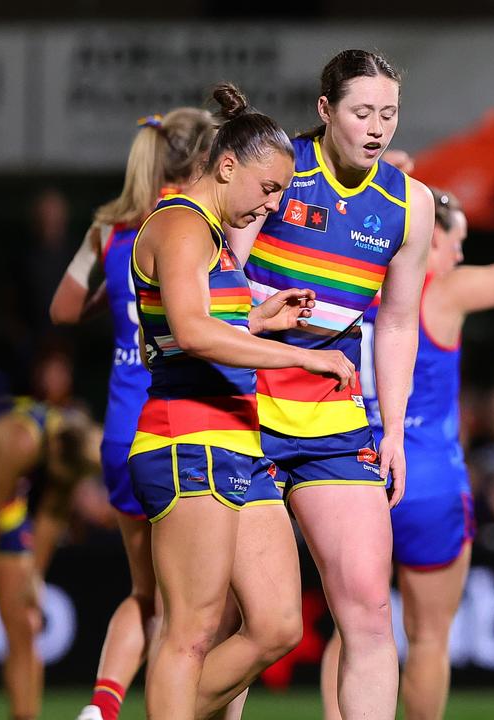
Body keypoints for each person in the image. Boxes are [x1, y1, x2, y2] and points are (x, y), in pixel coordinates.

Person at [127, 83, 354, 720]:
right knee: (192, 632)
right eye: (269, 188)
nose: (273, 204)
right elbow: (194, 334)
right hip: (184, 439)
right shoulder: (179, 224)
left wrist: (260, 320)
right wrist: (306, 355)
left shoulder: (213, 237)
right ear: (228, 166)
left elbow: (199, 326)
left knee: (280, 624)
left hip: (236, 442)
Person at [321, 150, 494, 720]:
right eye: (454, 240)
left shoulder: (357, 284)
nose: (458, 253)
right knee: (428, 639)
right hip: (427, 478)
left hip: (357, 469)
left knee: (352, 635)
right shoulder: (442, 292)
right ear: (429, 238)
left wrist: (387, 183)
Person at [228, 50, 434, 719]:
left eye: (389, 113)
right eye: (362, 112)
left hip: (334, 420)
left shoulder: (410, 204)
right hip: (242, 408)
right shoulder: (280, 171)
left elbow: (399, 323)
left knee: (371, 611)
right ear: (325, 110)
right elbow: (221, 274)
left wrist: (394, 430)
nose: (378, 127)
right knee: (238, 620)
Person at [49, 106, 218, 720]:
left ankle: (101, 707)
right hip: (179, 424)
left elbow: (63, 310)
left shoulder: (112, 229)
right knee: (196, 606)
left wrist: (118, 304)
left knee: (145, 593)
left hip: (121, 433)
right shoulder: (198, 221)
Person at [0, 396, 100, 720]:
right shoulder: (23, 440)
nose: (59, 481)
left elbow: (51, 514)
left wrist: (35, 575)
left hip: (7, 511)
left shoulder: (70, 443)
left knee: (27, 625)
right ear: (57, 452)